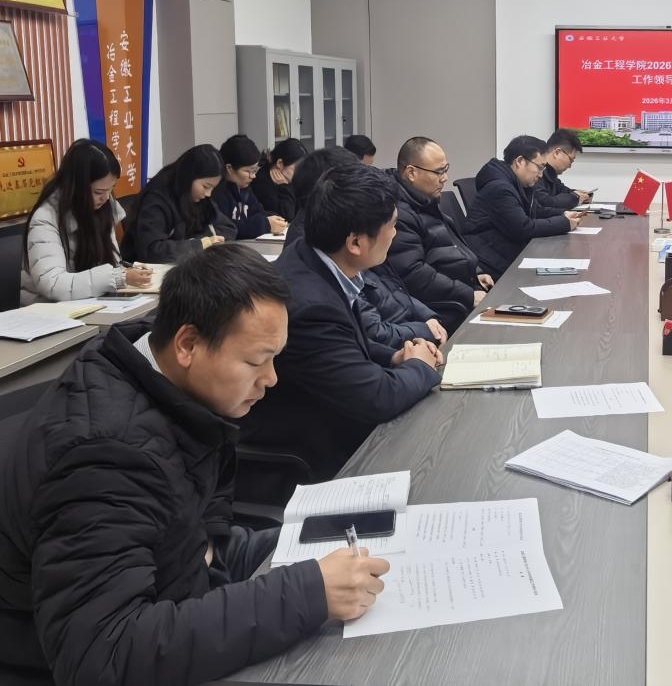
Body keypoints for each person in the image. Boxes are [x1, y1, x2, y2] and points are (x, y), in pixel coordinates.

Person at [0, 244, 389, 685]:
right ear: (188, 344)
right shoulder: (106, 458)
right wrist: (307, 592)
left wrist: (304, 546)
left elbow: (195, 546)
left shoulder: (168, 389)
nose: (271, 379)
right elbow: (104, 654)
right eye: (256, 361)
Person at [238, 163, 442, 483]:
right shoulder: (311, 306)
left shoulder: (312, 256)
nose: (395, 234)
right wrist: (420, 366)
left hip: (331, 410)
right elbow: (377, 398)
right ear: (355, 243)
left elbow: (342, 342)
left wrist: (393, 356)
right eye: (391, 225)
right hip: (313, 449)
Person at [287, 146, 447, 349]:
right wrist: (422, 333)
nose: (394, 233)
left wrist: (426, 318)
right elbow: (371, 334)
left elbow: (393, 288)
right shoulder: (333, 250)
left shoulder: (356, 235)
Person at [20, 139, 153, 303]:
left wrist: (127, 271)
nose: (106, 198)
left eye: (111, 189)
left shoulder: (103, 208)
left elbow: (112, 263)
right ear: (76, 187)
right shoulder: (45, 219)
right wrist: (117, 277)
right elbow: (52, 284)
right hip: (49, 309)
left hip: (90, 304)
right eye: (98, 192)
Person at [388, 136, 492, 332]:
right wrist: (467, 294)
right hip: (444, 309)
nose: (444, 178)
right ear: (411, 173)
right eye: (439, 172)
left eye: (446, 169)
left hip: (461, 292)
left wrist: (475, 273)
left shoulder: (424, 201)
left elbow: (451, 246)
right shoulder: (399, 213)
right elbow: (413, 274)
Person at [463, 135, 584, 279]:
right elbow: (523, 228)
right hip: (490, 260)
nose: (541, 174)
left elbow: (536, 210)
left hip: (505, 251)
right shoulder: (500, 189)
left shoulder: (517, 183)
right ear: (520, 161)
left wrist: (563, 215)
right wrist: (564, 223)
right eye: (539, 167)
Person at [121, 144, 237, 263]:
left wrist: (203, 241)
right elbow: (152, 251)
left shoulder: (199, 198)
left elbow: (228, 228)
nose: (208, 194)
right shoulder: (157, 198)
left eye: (213, 188)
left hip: (185, 264)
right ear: (189, 177)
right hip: (145, 269)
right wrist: (199, 244)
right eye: (206, 186)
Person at [212, 134, 287, 240]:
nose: (253, 176)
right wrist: (266, 224)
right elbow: (229, 229)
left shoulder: (245, 188)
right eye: (248, 171)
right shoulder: (217, 193)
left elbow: (258, 211)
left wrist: (272, 219)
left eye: (255, 171)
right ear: (229, 168)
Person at [535, 128, 593, 210]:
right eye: (571, 160)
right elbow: (545, 202)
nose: (570, 166)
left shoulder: (551, 174)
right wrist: (576, 197)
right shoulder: (536, 172)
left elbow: (563, 190)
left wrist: (579, 194)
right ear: (557, 153)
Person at [252, 138, 307, 220]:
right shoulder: (262, 183)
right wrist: (284, 187)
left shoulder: (291, 179)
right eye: (297, 168)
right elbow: (287, 216)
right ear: (280, 163)